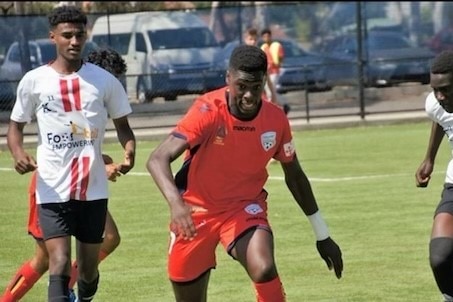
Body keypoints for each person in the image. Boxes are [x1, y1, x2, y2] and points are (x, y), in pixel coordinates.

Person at [146, 44, 343, 302]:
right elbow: (157, 159)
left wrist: (322, 234)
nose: (249, 95)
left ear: (264, 82)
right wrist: (176, 204)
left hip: (244, 208)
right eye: (242, 86)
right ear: (228, 79)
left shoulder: (275, 119)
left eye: (256, 86)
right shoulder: (207, 111)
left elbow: (295, 176)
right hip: (195, 214)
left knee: (263, 267)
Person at [6, 5, 136, 302]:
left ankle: (82, 294)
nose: (75, 40)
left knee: (88, 266)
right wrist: (17, 153)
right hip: (50, 187)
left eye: (80, 34)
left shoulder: (100, 84)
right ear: (54, 37)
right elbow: (18, 127)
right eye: (68, 35)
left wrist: (121, 156)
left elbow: (81, 133)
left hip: (90, 190)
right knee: (55, 261)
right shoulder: (36, 81)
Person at [416, 50, 453, 302]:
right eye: (435, 89)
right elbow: (441, 119)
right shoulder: (435, 103)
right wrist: (430, 157)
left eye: (446, 89)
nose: (439, 96)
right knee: (440, 256)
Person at [243, 27, 279, 106]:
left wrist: (273, 93)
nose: (253, 42)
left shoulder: (260, 56)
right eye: (250, 39)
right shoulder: (241, 56)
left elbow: (267, 76)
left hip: (258, 93)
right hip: (244, 93)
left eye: (255, 40)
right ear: (245, 40)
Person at [260, 28, 291, 115]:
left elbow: (280, 57)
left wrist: (276, 63)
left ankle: (277, 107)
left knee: (271, 91)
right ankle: (283, 105)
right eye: (264, 36)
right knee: (269, 91)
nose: (266, 38)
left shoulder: (276, 46)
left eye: (268, 36)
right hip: (267, 72)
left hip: (274, 71)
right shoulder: (263, 48)